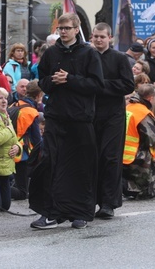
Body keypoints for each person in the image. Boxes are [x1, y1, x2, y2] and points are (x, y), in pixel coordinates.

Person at [29, 13, 104, 230]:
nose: (63, 32)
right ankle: (49, 212)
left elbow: (97, 84)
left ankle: (80, 213)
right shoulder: (52, 52)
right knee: (50, 163)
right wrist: (52, 81)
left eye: (67, 28)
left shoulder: (89, 53)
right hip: (56, 116)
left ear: (76, 29)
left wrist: (70, 79)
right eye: (60, 28)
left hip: (81, 118)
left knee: (81, 166)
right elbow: (41, 80)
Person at [90, 23, 135, 219]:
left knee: (110, 157)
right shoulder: (87, 57)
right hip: (90, 114)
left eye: (102, 37)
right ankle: (91, 200)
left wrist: (101, 85)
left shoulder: (119, 58)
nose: (98, 40)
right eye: (95, 37)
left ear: (110, 38)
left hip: (113, 115)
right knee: (92, 158)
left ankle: (109, 202)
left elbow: (127, 85)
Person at [122, 84, 155, 199]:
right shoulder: (143, 113)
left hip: (121, 153)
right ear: (150, 98)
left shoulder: (128, 107)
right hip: (135, 155)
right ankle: (146, 190)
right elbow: (152, 138)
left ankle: (126, 187)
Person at [8, 80, 43, 201]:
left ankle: (1, 188)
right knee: (22, 192)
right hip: (22, 152)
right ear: (38, 95)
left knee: (17, 183)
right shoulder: (31, 112)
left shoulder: (13, 105)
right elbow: (37, 139)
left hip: (9, 148)